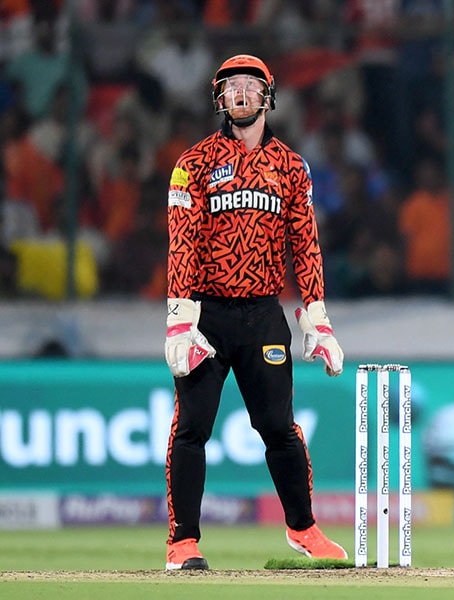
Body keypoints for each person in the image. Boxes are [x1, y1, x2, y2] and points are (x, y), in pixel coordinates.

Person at [163, 54, 346, 571]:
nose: (240, 94)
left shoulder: (291, 165)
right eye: (230, 86)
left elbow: (305, 245)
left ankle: (303, 529)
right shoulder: (193, 164)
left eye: (250, 85)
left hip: (264, 313)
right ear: (218, 98)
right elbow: (183, 243)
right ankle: (184, 542)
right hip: (208, 313)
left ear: (268, 95)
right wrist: (180, 317)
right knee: (192, 427)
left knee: (279, 427)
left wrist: (317, 317)